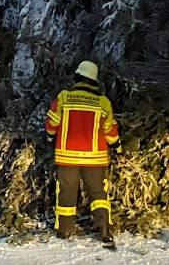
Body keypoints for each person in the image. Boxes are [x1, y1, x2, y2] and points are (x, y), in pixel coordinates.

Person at [45, 60, 120, 248]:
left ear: (78, 77)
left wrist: (49, 136)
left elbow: (52, 123)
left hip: (67, 157)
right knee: (98, 193)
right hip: (95, 158)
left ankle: (65, 230)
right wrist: (116, 145)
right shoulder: (103, 102)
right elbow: (110, 130)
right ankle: (104, 229)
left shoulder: (64, 98)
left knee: (66, 193)